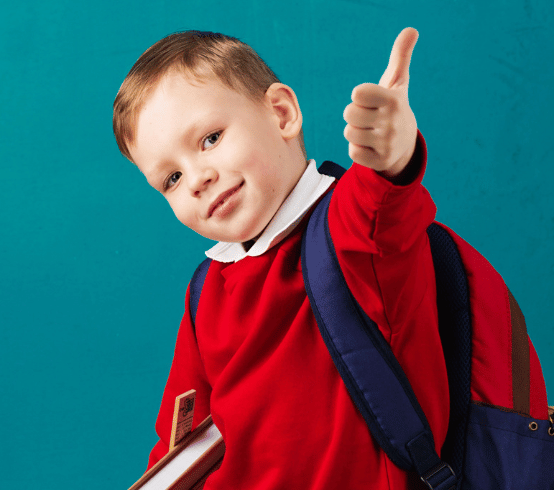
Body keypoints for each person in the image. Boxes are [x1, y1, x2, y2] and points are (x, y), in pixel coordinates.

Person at [113, 27, 449, 489]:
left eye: (210, 138)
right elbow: (179, 445)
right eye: (171, 178)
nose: (196, 178)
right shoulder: (205, 289)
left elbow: (383, 202)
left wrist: (393, 152)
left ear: (282, 113)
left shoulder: (346, 224)